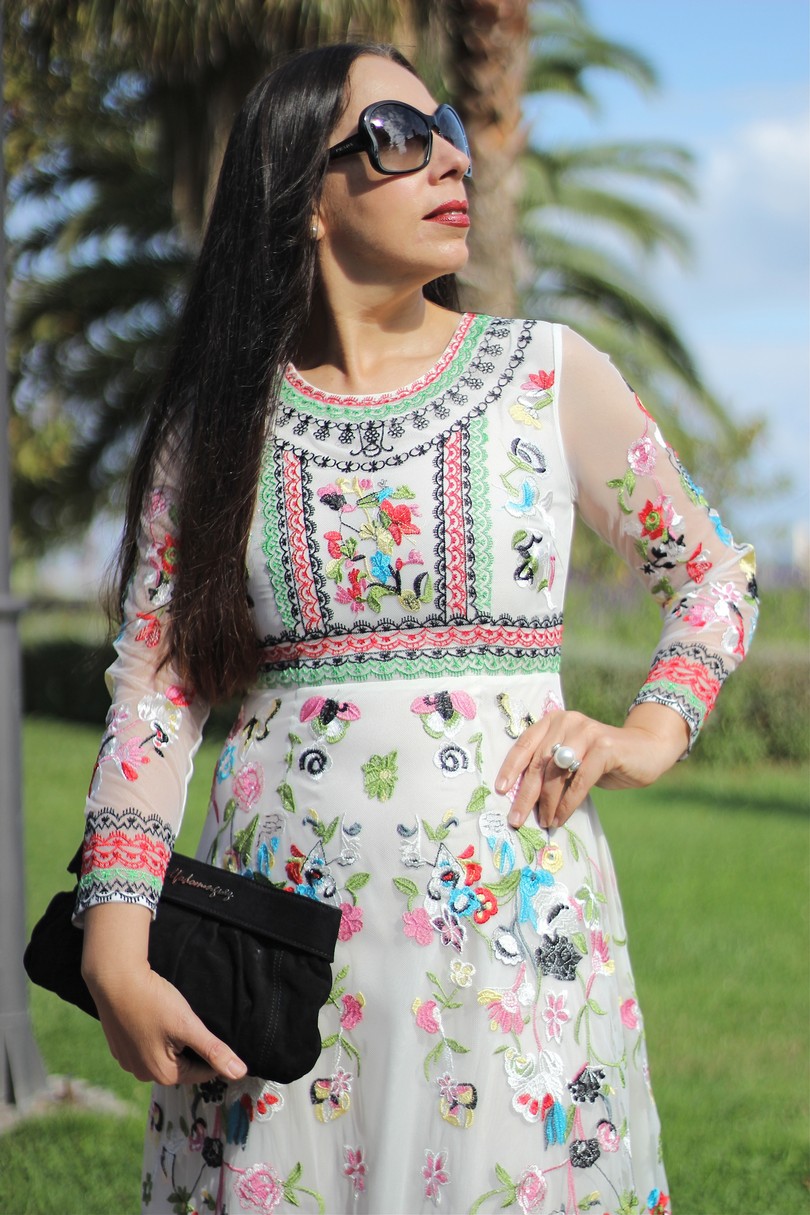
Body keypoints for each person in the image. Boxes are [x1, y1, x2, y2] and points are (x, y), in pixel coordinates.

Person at [76, 41, 758, 1215]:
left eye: (445, 125)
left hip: (511, 965)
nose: (452, 156)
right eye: (399, 138)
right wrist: (114, 937)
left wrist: (651, 732)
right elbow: (156, 689)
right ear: (304, 193)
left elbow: (712, 576)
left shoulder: (548, 374)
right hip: (273, 967)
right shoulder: (216, 426)